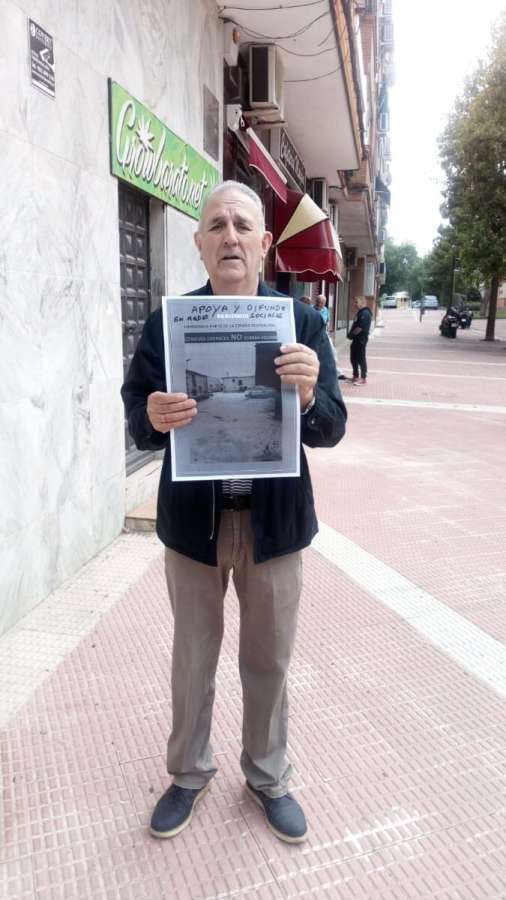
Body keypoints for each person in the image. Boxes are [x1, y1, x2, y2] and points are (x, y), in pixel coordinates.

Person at [121, 181, 347, 845]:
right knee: (193, 659)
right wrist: (153, 415)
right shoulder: (168, 324)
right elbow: (137, 418)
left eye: (242, 225)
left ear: (264, 242)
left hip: (274, 526)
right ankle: (188, 773)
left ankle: (268, 777)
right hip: (195, 525)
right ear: (198, 243)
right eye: (216, 225)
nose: (229, 236)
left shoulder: (301, 325)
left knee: (269, 659)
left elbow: (332, 428)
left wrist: (309, 396)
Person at [348, 296, 372, 384]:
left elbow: (359, 327)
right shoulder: (360, 312)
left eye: (356, 302)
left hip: (361, 339)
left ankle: (363, 378)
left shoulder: (365, 313)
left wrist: (351, 335)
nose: (355, 304)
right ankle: (355, 376)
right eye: (354, 302)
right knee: (353, 358)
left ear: (362, 302)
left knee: (361, 358)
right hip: (356, 339)